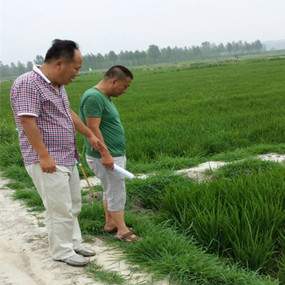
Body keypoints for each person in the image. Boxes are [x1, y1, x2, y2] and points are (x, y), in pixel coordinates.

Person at [10, 39, 106, 267]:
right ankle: (61, 251)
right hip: (48, 158)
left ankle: (73, 242)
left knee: (72, 203)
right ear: (60, 64)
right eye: (76, 68)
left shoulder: (56, 85)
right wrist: (43, 155)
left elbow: (67, 112)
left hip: (66, 156)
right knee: (58, 207)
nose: (77, 74)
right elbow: (27, 121)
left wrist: (89, 135)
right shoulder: (28, 83)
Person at [79, 65, 138, 242]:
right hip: (106, 156)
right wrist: (106, 154)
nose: (125, 90)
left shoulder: (102, 97)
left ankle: (110, 224)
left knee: (110, 190)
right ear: (114, 81)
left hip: (111, 154)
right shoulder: (94, 97)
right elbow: (92, 128)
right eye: (125, 86)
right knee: (116, 191)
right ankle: (122, 231)